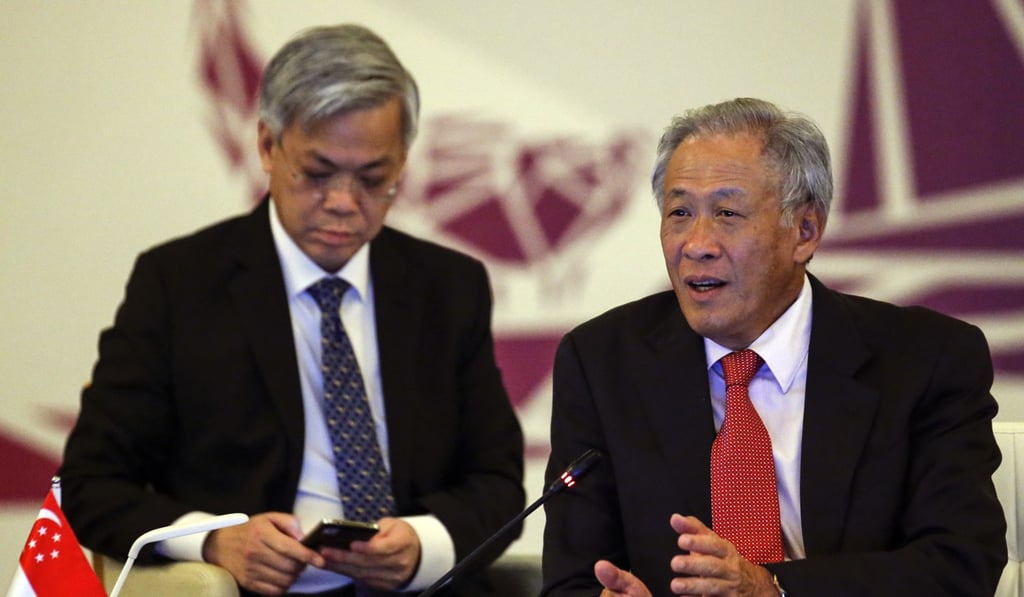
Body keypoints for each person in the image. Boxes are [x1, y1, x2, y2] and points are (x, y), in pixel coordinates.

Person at [60, 24, 525, 596]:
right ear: (266, 146)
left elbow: (498, 481)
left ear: (403, 162)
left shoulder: (448, 287)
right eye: (318, 172)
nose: (343, 202)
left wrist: (423, 544)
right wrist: (214, 541)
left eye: (373, 178)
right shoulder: (180, 283)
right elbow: (93, 484)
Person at [541, 97, 1006, 596]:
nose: (696, 243)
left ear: (804, 231)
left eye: (727, 213)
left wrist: (771, 589)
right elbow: (574, 578)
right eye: (679, 212)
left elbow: (960, 563)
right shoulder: (603, 362)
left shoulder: (925, 359)